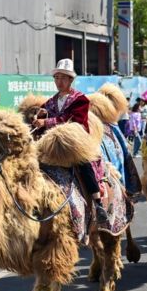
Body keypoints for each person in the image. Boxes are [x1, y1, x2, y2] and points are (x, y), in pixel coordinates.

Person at [31, 58, 108, 223]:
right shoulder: (50, 102)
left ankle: (98, 203)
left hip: (74, 141)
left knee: (84, 163)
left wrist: (48, 122)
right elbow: (45, 115)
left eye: (63, 78)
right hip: (53, 144)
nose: (59, 81)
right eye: (57, 78)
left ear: (71, 80)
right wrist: (38, 119)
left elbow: (74, 120)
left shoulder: (80, 100)